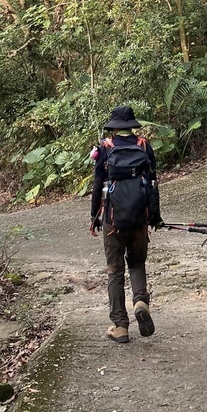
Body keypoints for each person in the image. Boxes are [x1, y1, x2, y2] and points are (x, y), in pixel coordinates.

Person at [90, 104, 162, 344]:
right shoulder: (144, 146)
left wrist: (94, 217)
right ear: (132, 127)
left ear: (113, 128)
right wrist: (154, 216)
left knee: (115, 271)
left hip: (113, 221)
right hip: (139, 219)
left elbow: (97, 186)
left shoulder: (106, 149)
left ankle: (120, 326)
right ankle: (141, 301)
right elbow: (152, 184)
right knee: (137, 262)